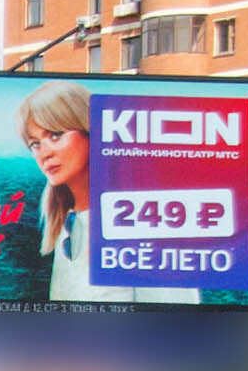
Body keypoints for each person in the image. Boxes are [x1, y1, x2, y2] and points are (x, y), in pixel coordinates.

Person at [19, 81, 198, 306]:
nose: (44, 153)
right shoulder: (67, 224)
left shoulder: (143, 223)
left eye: (55, 134)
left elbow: (177, 321)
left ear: (91, 131)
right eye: (34, 143)